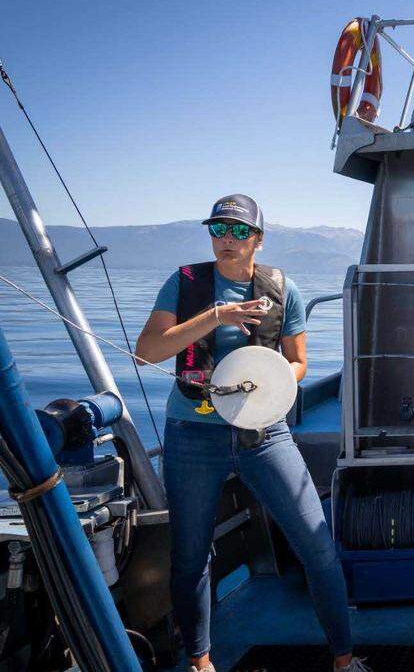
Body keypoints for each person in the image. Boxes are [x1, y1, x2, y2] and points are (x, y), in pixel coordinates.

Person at [135, 195, 369, 672]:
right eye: (219, 229)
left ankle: (344, 659)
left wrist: (269, 379)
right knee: (190, 555)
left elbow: (299, 363)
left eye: (240, 231)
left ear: (258, 239)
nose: (227, 239)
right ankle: (201, 663)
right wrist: (214, 317)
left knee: (317, 545)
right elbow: (147, 352)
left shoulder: (283, 289)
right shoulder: (183, 285)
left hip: (264, 434)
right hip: (193, 432)